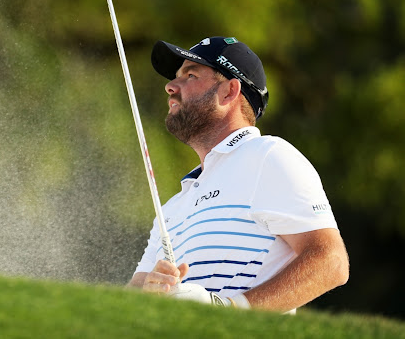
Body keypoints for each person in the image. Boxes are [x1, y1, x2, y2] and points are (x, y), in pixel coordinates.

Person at [127, 36, 349, 313]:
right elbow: (132, 294)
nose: (170, 86)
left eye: (190, 75)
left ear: (229, 92)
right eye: (176, 77)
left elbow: (331, 262)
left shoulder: (268, 155)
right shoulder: (173, 207)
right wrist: (150, 290)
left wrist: (228, 311)